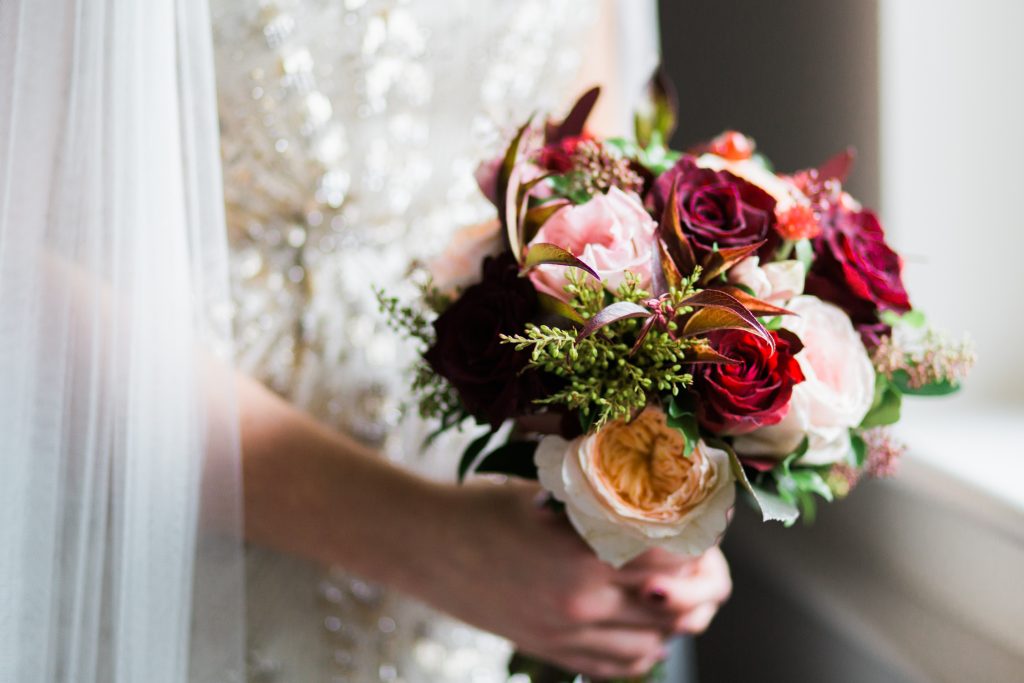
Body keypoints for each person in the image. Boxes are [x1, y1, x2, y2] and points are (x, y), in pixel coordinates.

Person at [0, 1, 731, 681]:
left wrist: (626, 493)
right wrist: (428, 540)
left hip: (501, 527)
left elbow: (585, 178)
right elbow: (16, 277)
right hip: (169, 502)